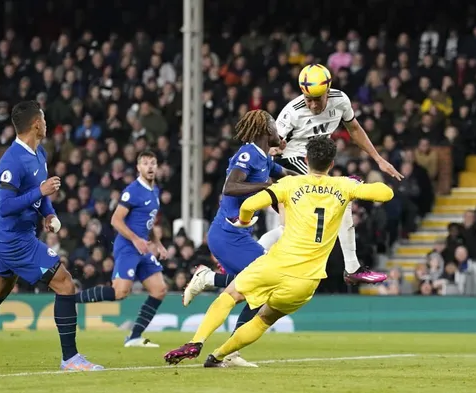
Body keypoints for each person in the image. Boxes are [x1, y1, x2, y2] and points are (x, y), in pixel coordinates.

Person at [163, 137, 394, 367]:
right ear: (332, 164)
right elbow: (386, 194)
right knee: (263, 319)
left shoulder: (290, 184)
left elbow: (247, 206)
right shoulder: (342, 186)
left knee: (231, 295)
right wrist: (355, 185)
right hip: (307, 280)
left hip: (276, 265)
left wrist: (244, 222)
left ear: (306, 160)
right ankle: (219, 356)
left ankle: (197, 341)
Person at [0, 101, 103, 371]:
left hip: (13, 235)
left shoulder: (39, 153)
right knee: (65, 283)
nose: (46, 124)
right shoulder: (11, 160)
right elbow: (5, 206)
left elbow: (41, 195)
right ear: (36, 124)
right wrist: (41, 192)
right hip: (12, 238)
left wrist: (47, 214)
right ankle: (70, 359)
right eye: (44, 120)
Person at [269, 63, 403, 284]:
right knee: (337, 195)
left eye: (317, 98)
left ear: (328, 89)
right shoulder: (292, 112)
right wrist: (274, 146)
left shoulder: (340, 101)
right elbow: (273, 145)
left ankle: (351, 268)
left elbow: (355, 129)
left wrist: (378, 159)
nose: (311, 104)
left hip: (317, 162)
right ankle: (350, 267)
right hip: (290, 162)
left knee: (337, 204)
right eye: (307, 98)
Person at [182, 109, 298, 366]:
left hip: (237, 234)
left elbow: (287, 177)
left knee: (258, 285)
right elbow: (230, 187)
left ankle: (210, 280)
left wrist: (315, 182)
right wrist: (268, 186)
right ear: (266, 131)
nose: (279, 131)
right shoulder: (248, 155)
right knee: (266, 283)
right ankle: (229, 351)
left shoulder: (263, 157)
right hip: (227, 234)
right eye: (274, 126)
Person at [73, 150, 169, 348]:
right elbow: (115, 220)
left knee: (159, 290)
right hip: (127, 247)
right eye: (145, 163)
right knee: (120, 293)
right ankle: (70, 299)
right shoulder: (132, 191)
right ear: (138, 168)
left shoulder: (155, 190)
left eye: (153, 163)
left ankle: (134, 337)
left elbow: (148, 223)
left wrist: (157, 243)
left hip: (142, 247)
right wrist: (135, 239)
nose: (150, 167)